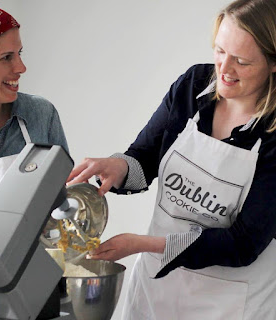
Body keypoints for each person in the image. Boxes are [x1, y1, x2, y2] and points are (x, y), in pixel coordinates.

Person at [67, 0, 276, 319]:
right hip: (156, 292)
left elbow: (243, 244)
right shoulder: (192, 87)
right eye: (219, 51)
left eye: (242, 61)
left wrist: (144, 243)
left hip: (231, 303)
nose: (224, 70)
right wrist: (117, 167)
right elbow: (143, 163)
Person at [0, 3, 68, 319]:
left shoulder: (40, 117)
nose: (21, 67)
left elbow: (62, 202)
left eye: (20, 53)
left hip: (33, 290)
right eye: (7, 57)